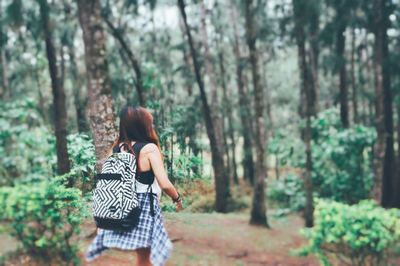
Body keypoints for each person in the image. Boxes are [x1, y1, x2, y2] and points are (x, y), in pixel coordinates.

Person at [85, 106, 183, 266]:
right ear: (143, 125)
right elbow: (164, 183)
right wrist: (177, 198)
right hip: (144, 206)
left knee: (144, 257)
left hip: (122, 205)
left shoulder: (116, 148)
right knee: (147, 258)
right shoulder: (149, 149)